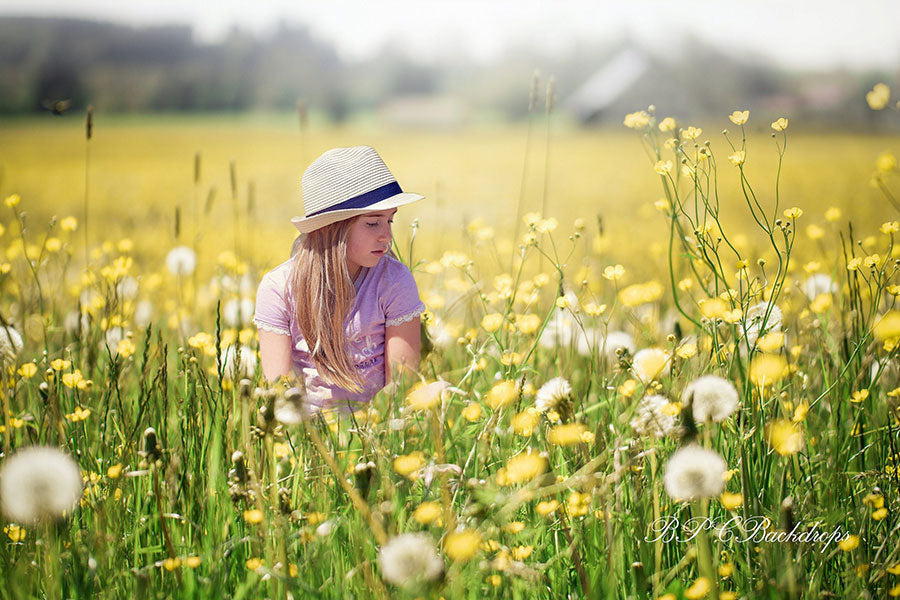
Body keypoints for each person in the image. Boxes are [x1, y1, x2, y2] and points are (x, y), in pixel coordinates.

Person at [253, 146, 426, 410]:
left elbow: (401, 389)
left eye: (389, 221)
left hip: (376, 430)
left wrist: (366, 435)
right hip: (307, 435)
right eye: (372, 223)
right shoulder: (278, 289)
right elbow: (280, 392)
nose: (387, 237)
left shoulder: (395, 281)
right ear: (332, 227)